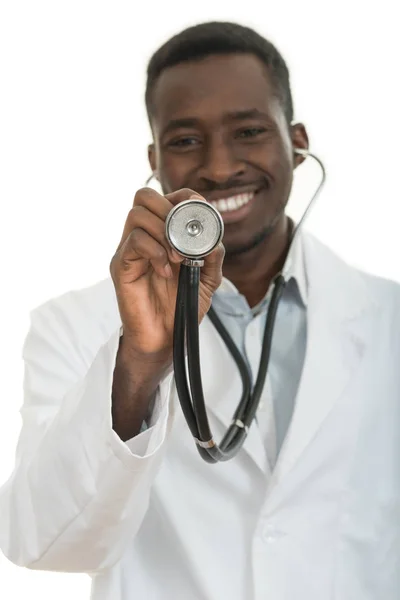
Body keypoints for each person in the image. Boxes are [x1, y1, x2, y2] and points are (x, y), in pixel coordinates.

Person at [1, 20, 400, 600]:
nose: (218, 166)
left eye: (249, 131)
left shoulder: (390, 319)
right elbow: (44, 545)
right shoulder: (71, 326)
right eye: (185, 140)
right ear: (154, 160)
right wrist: (138, 362)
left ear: (298, 141)